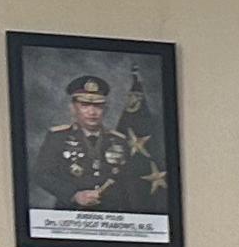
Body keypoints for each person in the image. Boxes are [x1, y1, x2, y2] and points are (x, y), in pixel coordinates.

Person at [27, 70, 163, 221]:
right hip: (70, 214)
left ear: (105, 109)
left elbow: (129, 180)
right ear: (73, 108)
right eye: (85, 105)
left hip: (113, 216)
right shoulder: (58, 137)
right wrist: (73, 195)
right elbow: (41, 174)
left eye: (98, 106)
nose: (92, 112)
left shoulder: (119, 139)